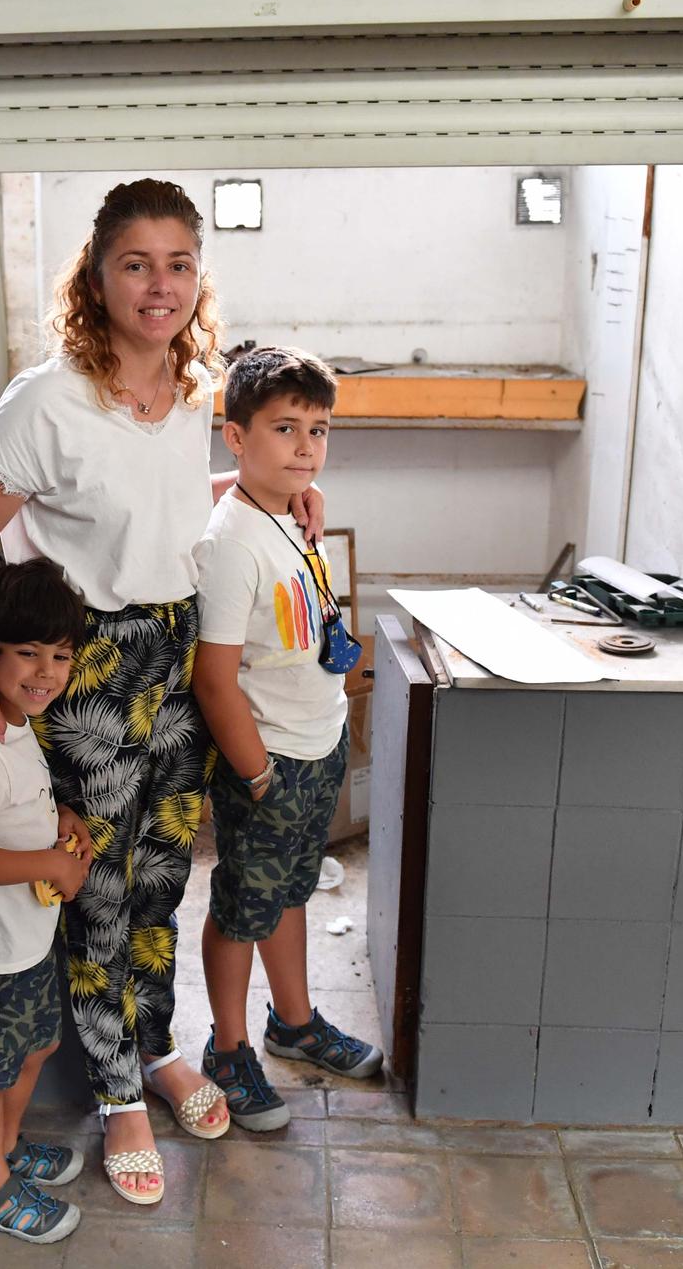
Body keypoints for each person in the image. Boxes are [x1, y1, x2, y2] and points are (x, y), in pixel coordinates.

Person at [0, 179, 319, 1204]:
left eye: (178, 263)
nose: (160, 285)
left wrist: (271, 493)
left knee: (159, 878)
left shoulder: (195, 384)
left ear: (199, 277)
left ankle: (152, 1048)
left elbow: (169, 504)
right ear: (95, 278)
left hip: (178, 649)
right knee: (93, 888)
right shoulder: (46, 399)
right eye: (135, 264)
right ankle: (116, 1097)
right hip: (90, 669)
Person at [190, 346, 384, 1132]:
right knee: (241, 905)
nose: (306, 446)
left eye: (319, 429)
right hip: (269, 759)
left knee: (288, 893)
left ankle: (294, 1023)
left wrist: (306, 495)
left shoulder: (292, 510)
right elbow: (214, 677)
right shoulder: (233, 541)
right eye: (284, 429)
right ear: (234, 437)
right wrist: (257, 772)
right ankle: (228, 1047)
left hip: (318, 741)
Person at [0, 560, 94, 1244]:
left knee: (35, 1048)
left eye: (60, 654)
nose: (47, 670)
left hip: (26, 940)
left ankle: (3, 1151)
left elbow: (19, 805)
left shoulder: (17, 723)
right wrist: (52, 862)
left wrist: (62, 817)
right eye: (27, 651)